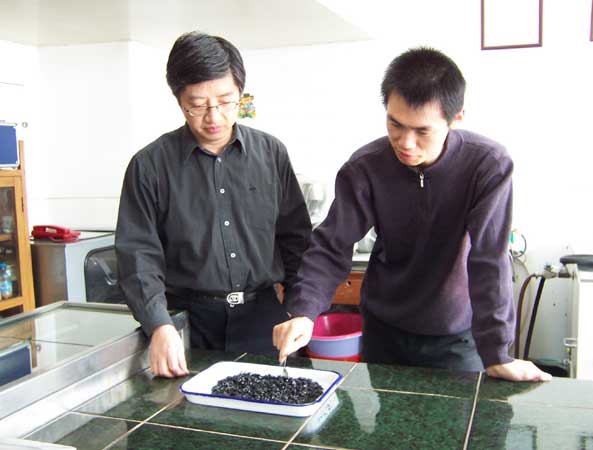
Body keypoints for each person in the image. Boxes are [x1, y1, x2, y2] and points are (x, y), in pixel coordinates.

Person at [273, 47, 551, 382]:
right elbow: (332, 244)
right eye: (395, 124)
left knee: (461, 416)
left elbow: (489, 257)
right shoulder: (365, 168)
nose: (405, 143)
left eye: (422, 131)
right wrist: (303, 312)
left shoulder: (487, 166)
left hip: (456, 333)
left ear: (456, 118)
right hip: (384, 330)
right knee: (392, 415)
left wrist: (497, 352)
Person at [116, 32, 311, 378]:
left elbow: (296, 241)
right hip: (186, 326)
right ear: (179, 100)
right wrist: (158, 324)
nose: (214, 117)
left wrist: (300, 311)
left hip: (264, 321)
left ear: (240, 93)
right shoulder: (149, 166)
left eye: (225, 101)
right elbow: (138, 255)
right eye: (198, 105)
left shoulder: (271, 154)